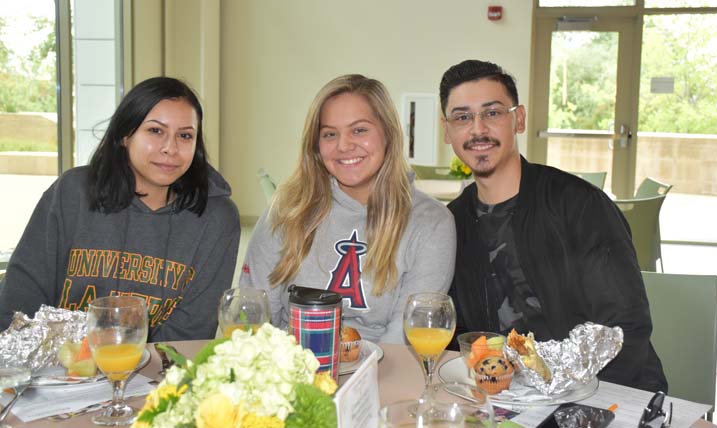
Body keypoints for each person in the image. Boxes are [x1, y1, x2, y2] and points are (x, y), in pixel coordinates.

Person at [440, 59, 667, 392]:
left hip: (602, 393)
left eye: (492, 113)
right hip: (505, 399)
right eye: (462, 117)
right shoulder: (453, 222)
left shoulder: (579, 207)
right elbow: (456, 336)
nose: (477, 130)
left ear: (518, 119)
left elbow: (625, 329)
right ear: (447, 131)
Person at [0, 77, 241, 341]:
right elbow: (20, 300)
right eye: (155, 131)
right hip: (56, 370)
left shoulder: (216, 218)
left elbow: (191, 332)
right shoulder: (73, 193)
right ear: (126, 135)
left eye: (185, 135)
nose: (170, 148)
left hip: (157, 375)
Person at [242, 74, 455, 343]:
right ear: (316, 146)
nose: (343, 145)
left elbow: (404, 340)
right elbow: (258, 320)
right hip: (291, 371)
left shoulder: (431, 222)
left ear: (388, 133)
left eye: (359, 130)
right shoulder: (287, 210)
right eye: (330, 134)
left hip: (385, 373)